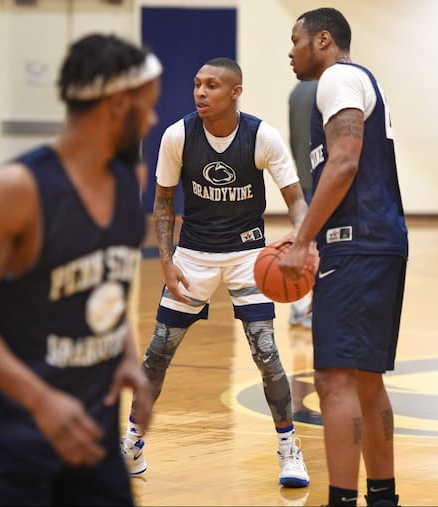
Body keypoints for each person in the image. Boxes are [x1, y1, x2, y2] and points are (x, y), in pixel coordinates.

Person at [0, 33, 161, 506]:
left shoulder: (130, 182)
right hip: (18, 430)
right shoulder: (18, 189)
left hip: (93, 427)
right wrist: (41, 400)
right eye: (147, 107)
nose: (154, 119)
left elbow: (108, 289)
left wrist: (125, 359)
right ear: (118, 104)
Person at [119, 57, 311, 488]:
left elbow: (296, 199)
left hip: (248, 256)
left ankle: (288, 449)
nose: (200, 93)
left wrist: (302, 237)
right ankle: (132, 444)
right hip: (193, 256)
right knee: (157, 353)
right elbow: (164, 201)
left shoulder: (261, 135)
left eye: (212, 86)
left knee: (267, 354)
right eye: (196, 85)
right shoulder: (177, 136)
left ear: (235, 92)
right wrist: (167, 262)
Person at [282, 8, 408, 507]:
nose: (290, 52)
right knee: (365, 380)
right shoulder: (356, 81)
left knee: (333, 379)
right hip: (372, 244)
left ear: (324, 40)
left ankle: (341, 500)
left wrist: (302, 242)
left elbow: (345, 160)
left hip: (357, 245)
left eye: (296, 41)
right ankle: (382, 498)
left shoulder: (338, 78)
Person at [288, 79, 318, 329]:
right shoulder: (329, 86)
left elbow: (293, 138)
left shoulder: (297, 91)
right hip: (321, 179)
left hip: (302, 175)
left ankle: (298, 306)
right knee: (317, 248)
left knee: (307, 243)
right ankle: (308, 308)